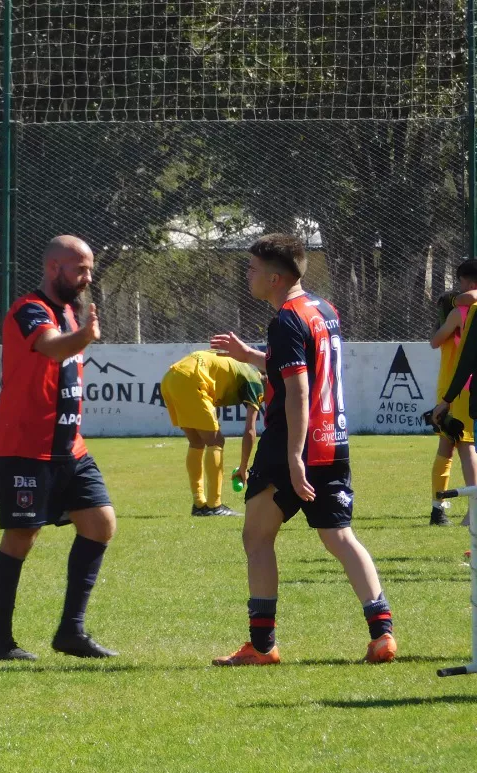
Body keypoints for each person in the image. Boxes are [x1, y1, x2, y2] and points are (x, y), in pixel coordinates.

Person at [210, 233, 395, 666]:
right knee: (340, 537)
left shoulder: (286, 320)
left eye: (253, 269)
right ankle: (382, 632)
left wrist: (293, 458)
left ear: (275, 278)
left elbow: (297, 390)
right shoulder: (324, 310)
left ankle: (261, 645)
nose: (248, 275)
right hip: (334, 440)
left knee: (256, 538)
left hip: (290, 445)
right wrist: (251, 355)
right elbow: (297, 367)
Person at [0, 236, 118, 663]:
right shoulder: (29, 310)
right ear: (53, 268)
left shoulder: (67, 311)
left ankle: (70, 631)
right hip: (25, 447)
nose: (88, 278)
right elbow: (48, 346)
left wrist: (80, 331)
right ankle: (1, 644)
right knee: (21, 537)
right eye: (80, 269)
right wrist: (85, 337)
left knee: (100, 524)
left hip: (69, 449)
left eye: (89, 269)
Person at [160, 349, 263, 517]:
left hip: (171, 378)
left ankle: (199, 504)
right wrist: (244, 467)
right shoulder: (255, 380)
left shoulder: (241, 367)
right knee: (216, 442)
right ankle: (215, 506)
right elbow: (250, 430)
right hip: (192, 379)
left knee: (196, 442)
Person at [427, 260, 477, 526]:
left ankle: (468, 510)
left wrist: (448, 309)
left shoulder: (460, 312)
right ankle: (439, 509)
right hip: (458, 389)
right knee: (451, 445)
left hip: (458, 390)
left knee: (462, 446)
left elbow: (434, 341)